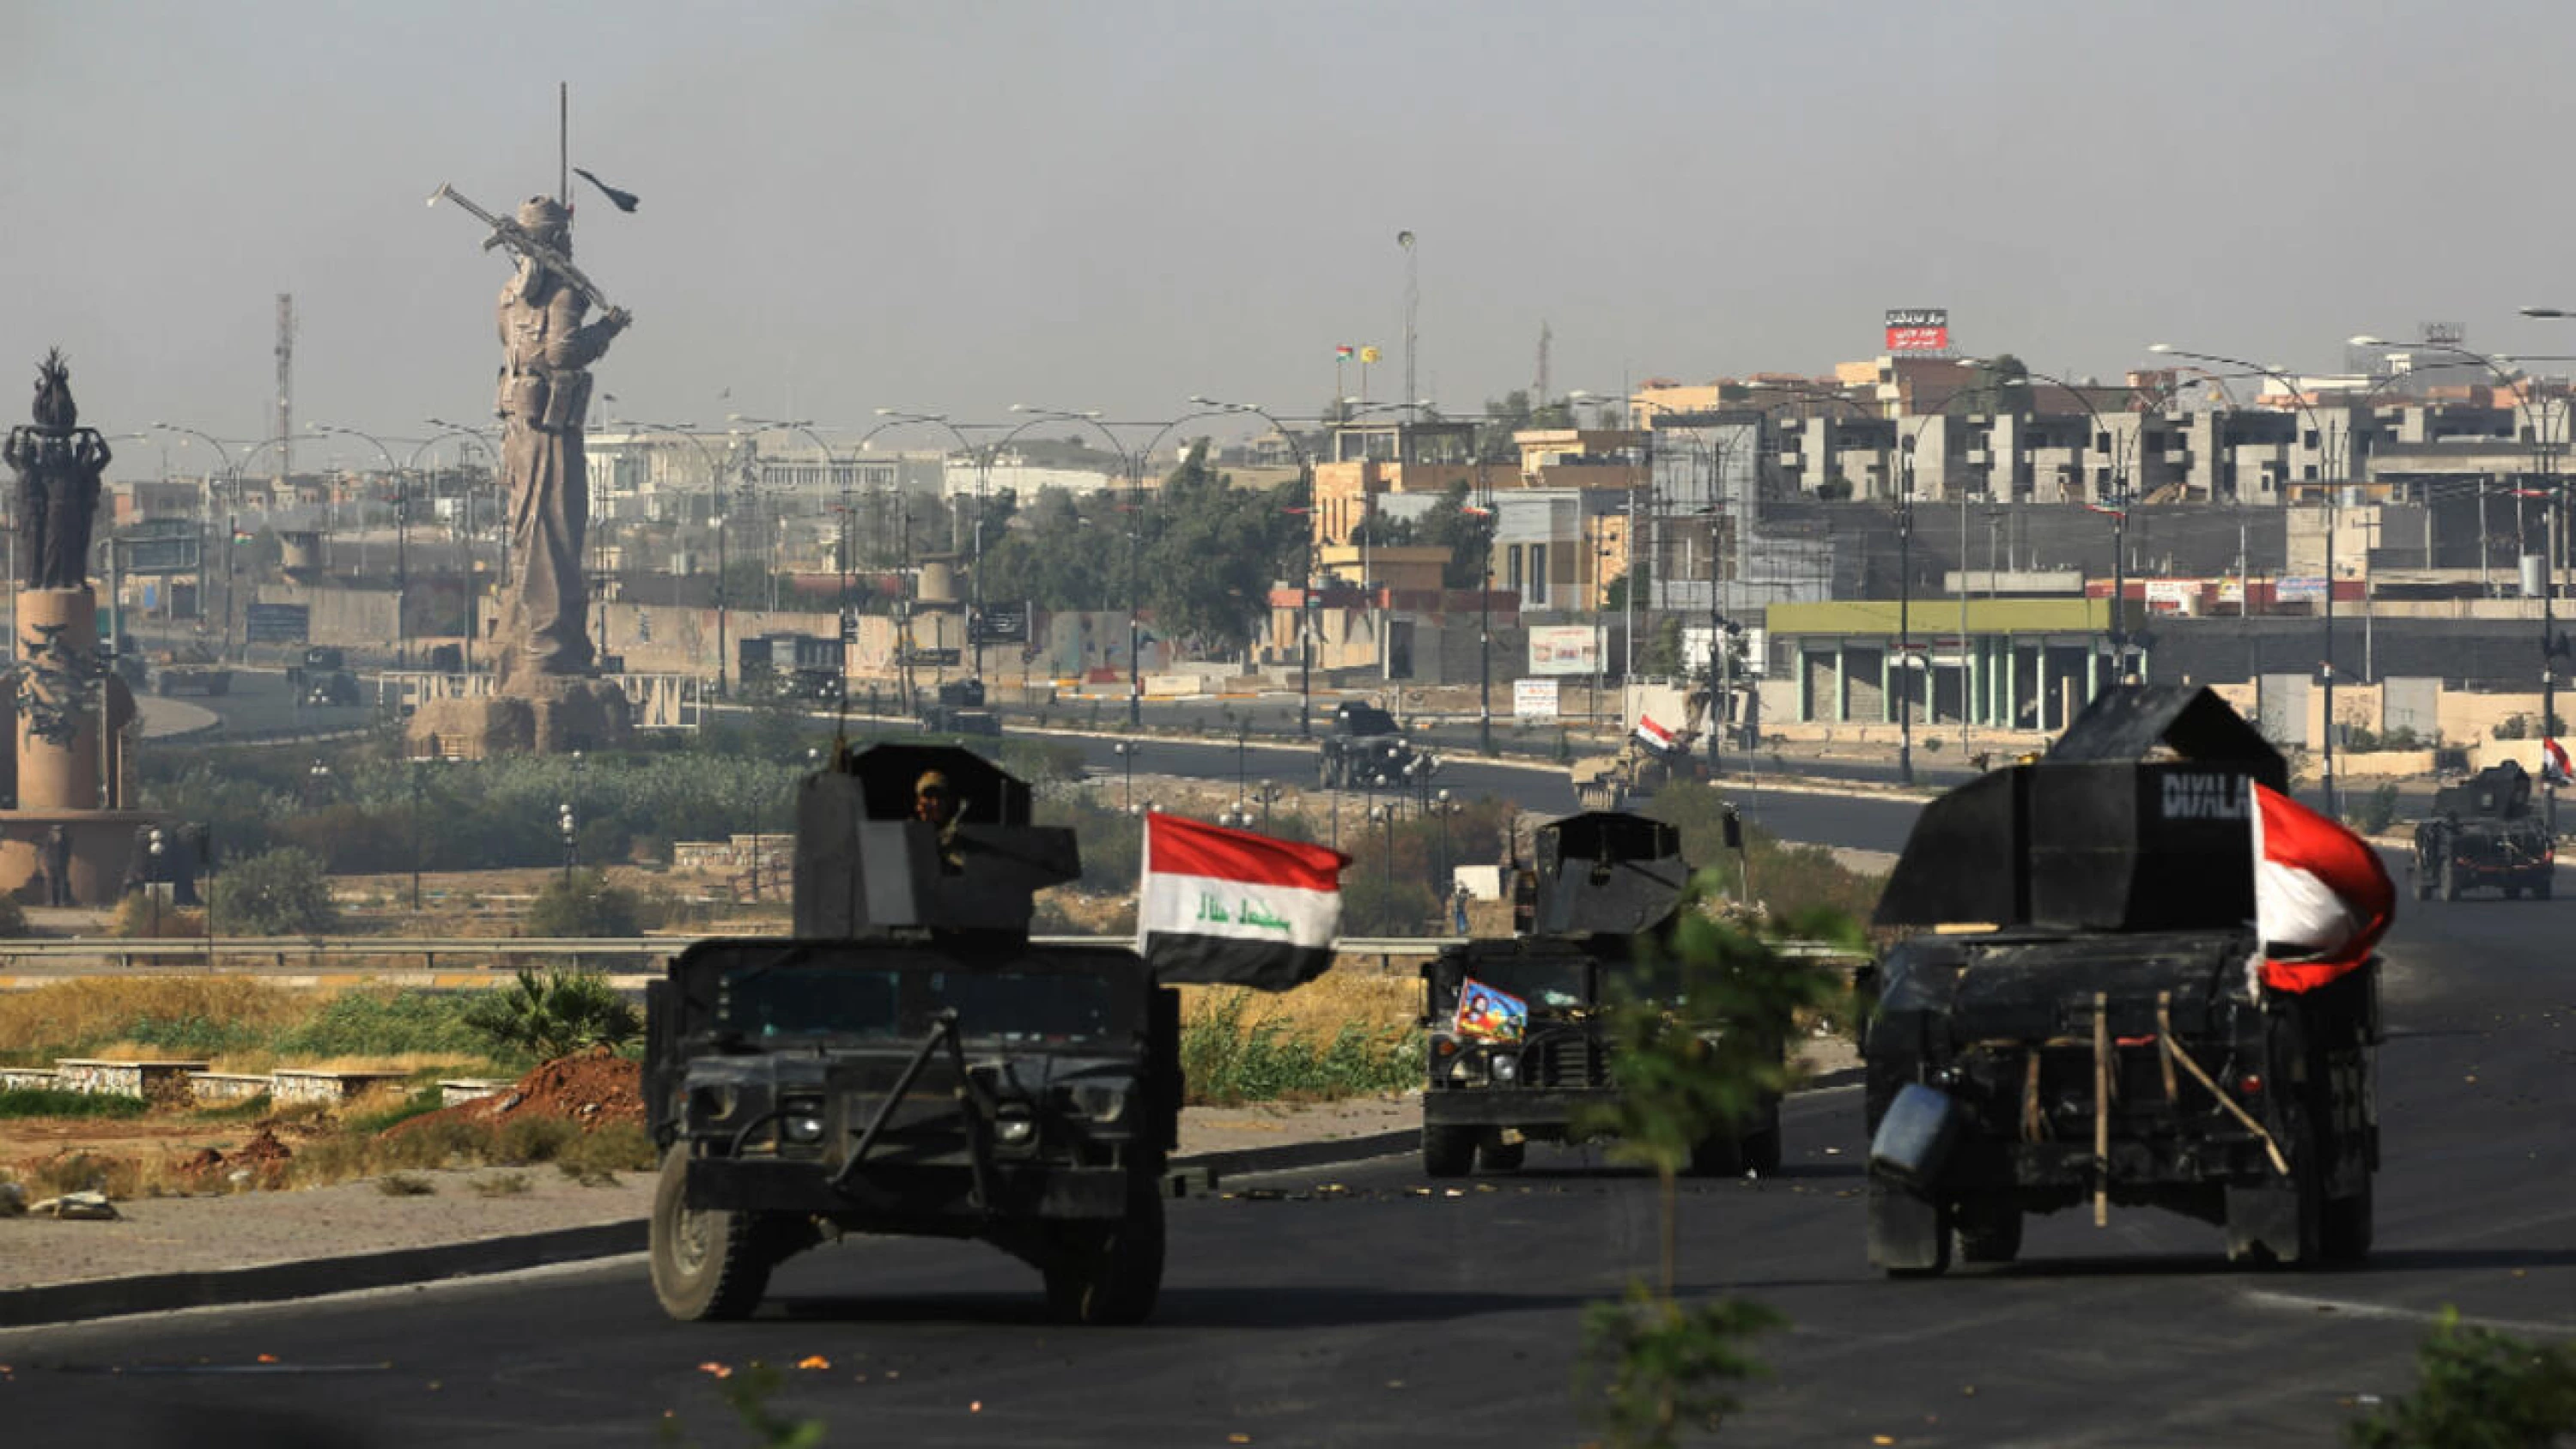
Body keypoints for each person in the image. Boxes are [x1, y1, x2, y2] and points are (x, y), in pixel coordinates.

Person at [493, 196, 629, 688]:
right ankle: (547, 646)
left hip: (519, 427)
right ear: (557, 239)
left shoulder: (510, 292)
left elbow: (509, 343)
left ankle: (547, 641)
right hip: (549, 428)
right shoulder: (566, 291)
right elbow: (562, 351)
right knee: (554, 528)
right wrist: (606, 331)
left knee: (533, 527)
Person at [914, 770, 965, 870]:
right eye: (929, 796)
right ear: (918, 801)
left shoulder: (959, 834)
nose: (935, 803)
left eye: (940, 797)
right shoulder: (907, 833)